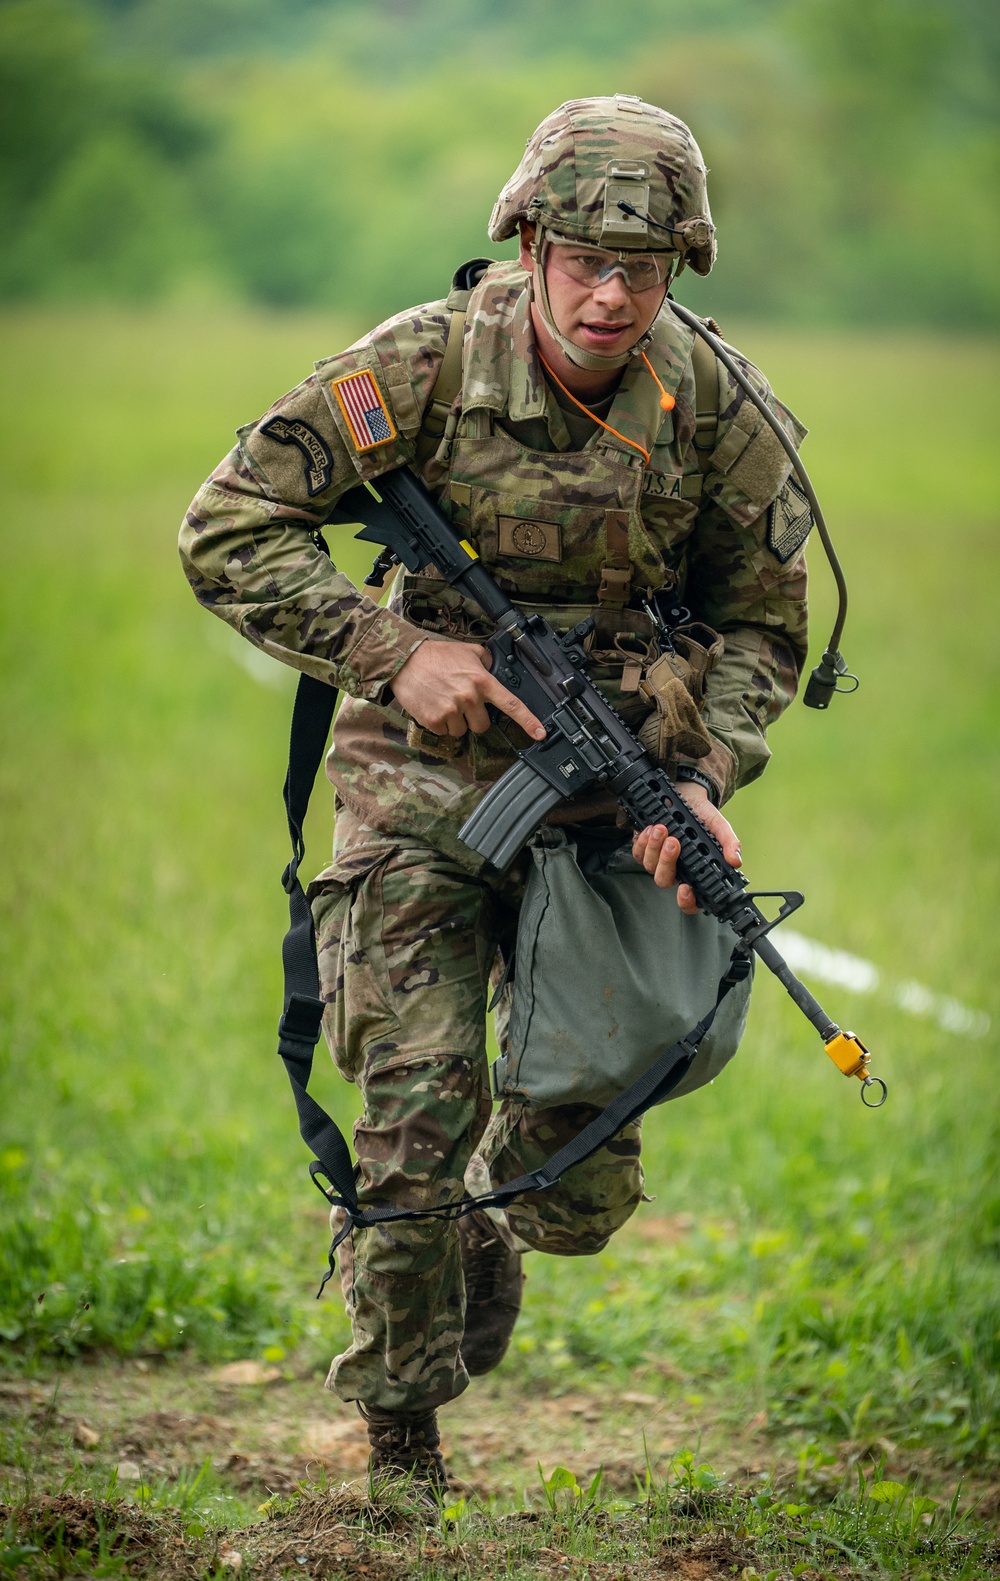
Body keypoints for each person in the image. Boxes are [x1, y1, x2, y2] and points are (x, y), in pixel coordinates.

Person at [179, 95, 810, 1490]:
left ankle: (488, 1227)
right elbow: (225, 524)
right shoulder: (416, 369)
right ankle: (402, 1452)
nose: (607, 294)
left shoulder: (716, 408)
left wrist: (699, 770)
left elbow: (770, 624)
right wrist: (393, 650)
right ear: (527, 239)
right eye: (582, 258)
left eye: (641, 271)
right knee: (413, 1117)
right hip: (414, 787)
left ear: (681, 270)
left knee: (573, 1187)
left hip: (602, 809)